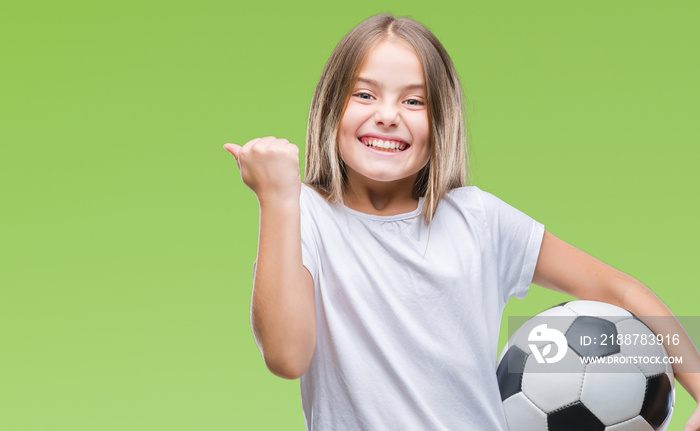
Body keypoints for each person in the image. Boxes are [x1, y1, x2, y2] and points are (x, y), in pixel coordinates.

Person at [224, 14, 700, 431]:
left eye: (414, 102)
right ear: (331, 109)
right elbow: (287, 357)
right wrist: (277, 198)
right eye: (364, 94)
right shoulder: (306, 216)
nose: (387, 116)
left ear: (442, 122)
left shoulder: (478, 218)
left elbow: (622, 292)